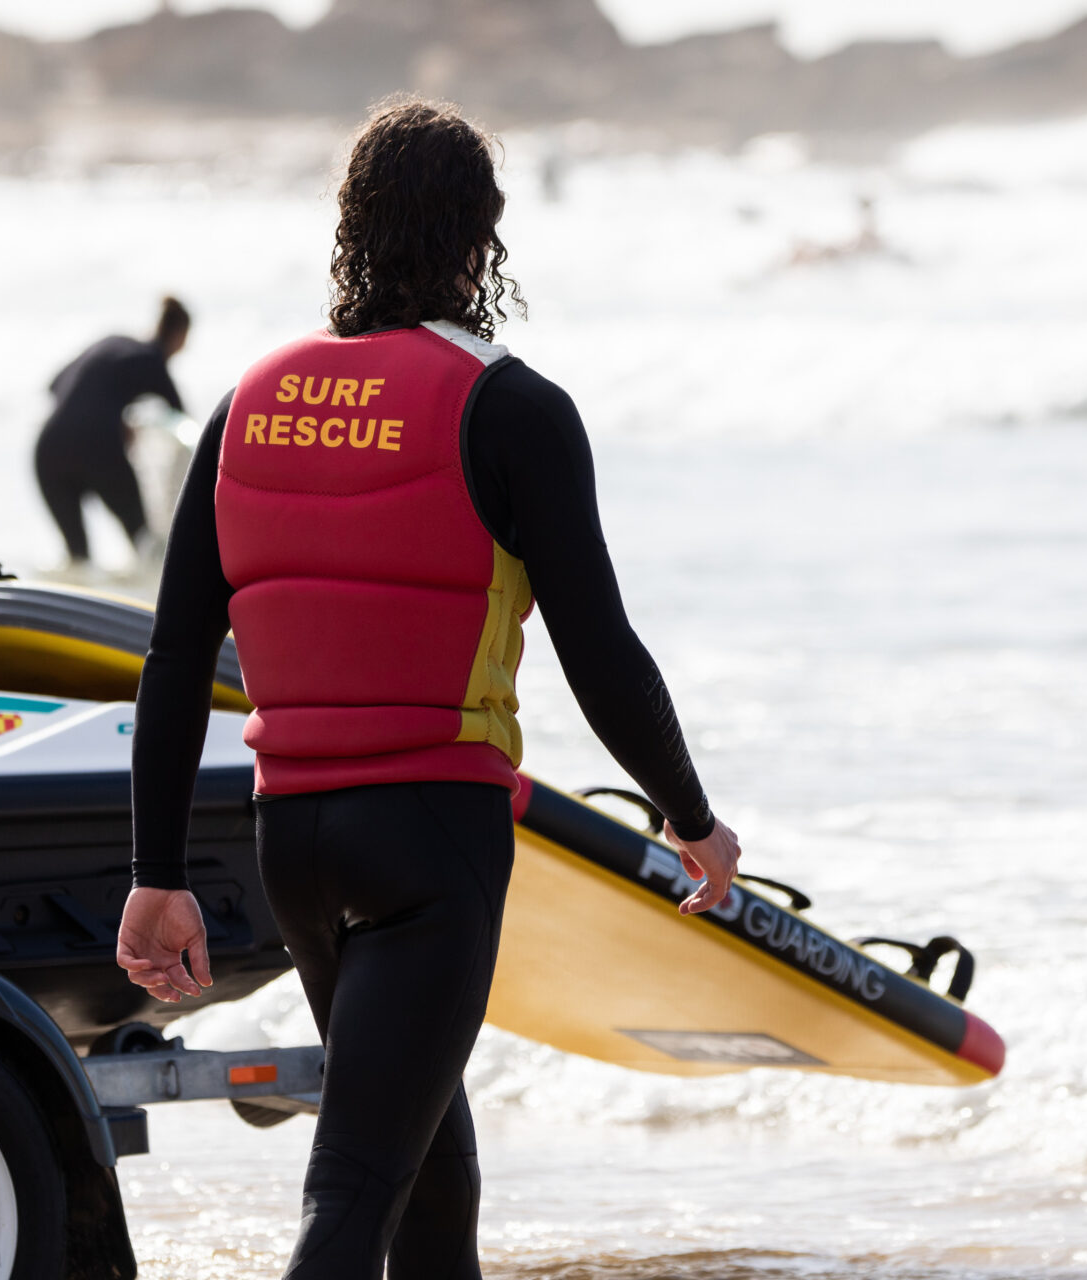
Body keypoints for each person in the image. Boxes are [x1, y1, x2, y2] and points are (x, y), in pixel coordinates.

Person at [116, 99, 742, 1279]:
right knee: (356, 1187)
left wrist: (155, 872)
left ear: (350, 230)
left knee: (428, 1168)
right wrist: (689, 814)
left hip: (290, 840)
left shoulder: (246, 404)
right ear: (479, 239)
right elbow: (599, 646)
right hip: (431, 844)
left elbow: (175, 654)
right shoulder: (512, 409)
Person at [35, 296, 190, 573]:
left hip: (48, 450)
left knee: (77, 558)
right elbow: (183, 423)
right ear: (180, 335)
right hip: (99, 449)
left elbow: (53, 384)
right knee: (145, 546)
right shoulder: (154, 362)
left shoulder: (111, 342)